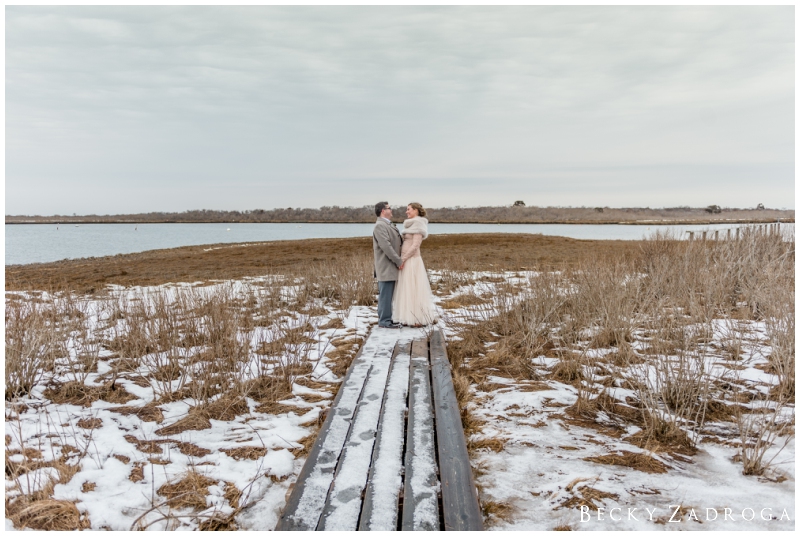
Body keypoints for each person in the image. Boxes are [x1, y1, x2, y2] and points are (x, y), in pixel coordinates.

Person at [392, 203, 438, 326]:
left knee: (414, 289)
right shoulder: (409, 223)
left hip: (412, 260)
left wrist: (403, 258)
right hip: (406, 260)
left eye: (409, 209)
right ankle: (408, 317)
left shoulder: (418, 223)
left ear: (416, 210)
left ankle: (418, 318)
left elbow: (415, 245)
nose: (406, 212)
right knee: (406, 289)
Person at [372, 201, 404, 328]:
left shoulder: (388, 224)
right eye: (389, 208)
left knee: (388, 294)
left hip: (390, 267)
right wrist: (398, 260)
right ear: (383, 211)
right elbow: (386, 246)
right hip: (386, 267)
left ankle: (387, 319)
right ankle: (384, 321)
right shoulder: (380, 226)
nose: (391, 210)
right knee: (385, 295)